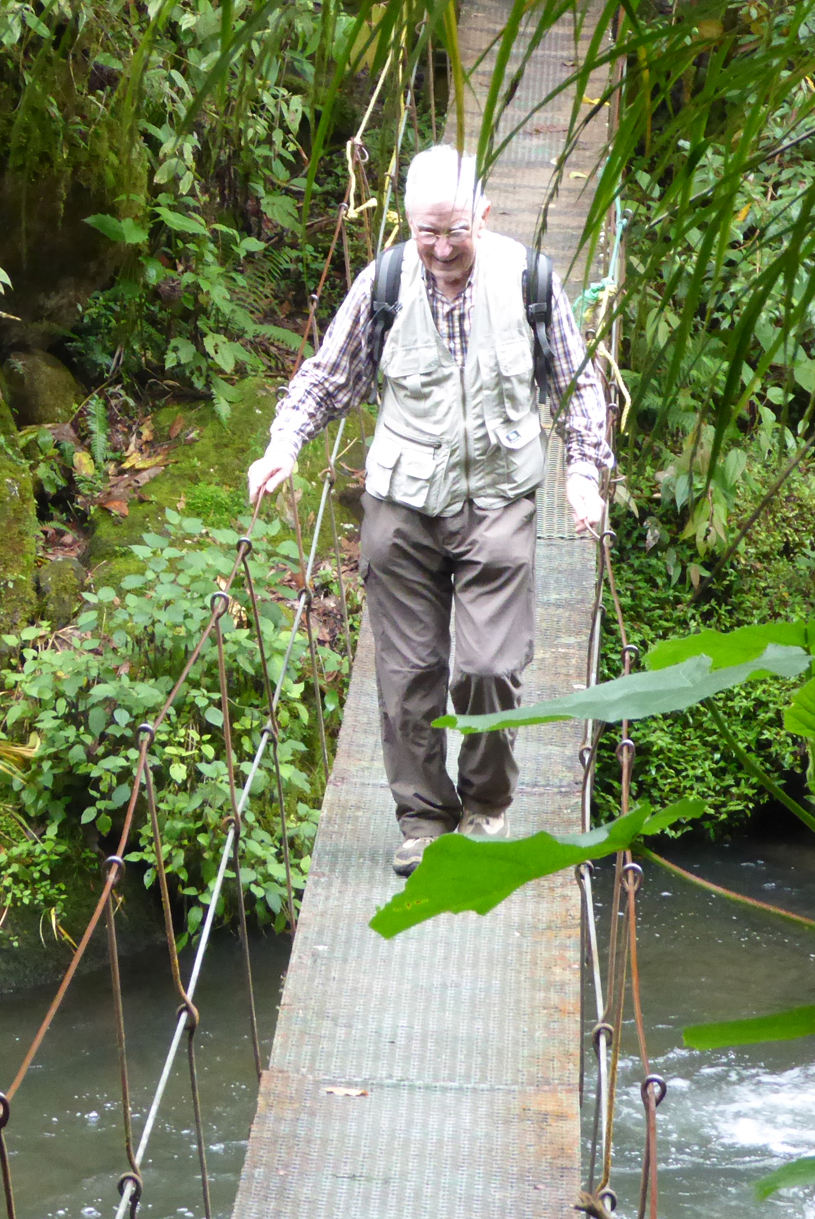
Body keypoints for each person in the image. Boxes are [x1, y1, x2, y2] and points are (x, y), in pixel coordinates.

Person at [247, 145, 614, 876]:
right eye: (425, 233)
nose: (441, 249)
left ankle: (486, 807)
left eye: (455, 231)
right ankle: (423, 819)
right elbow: (327, 379)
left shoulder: (531, 282)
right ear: (406, 223)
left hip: (500, 499)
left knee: (488, 667)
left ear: (483, 213)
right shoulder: (382, 284)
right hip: (402, 504)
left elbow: (577, 387)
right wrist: (282, 444)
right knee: (408, 673)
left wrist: (582, 474)